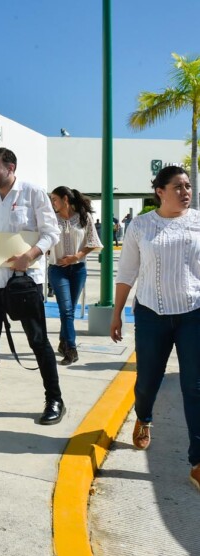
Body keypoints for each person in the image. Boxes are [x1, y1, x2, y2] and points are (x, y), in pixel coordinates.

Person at [110, 165, 200, 492]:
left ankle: (197, 462)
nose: (185, 192)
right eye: (178, 187)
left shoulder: (199, 222)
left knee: (196, 387)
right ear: (160, 192)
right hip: (151, 313)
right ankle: (144, 416)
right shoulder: (140, 226)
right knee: (147, 381)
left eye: (188, 186)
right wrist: (116, 313)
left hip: (194, 314)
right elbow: (127, 272)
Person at [0, 147, 65, 425]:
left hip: (24, 282)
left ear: (11, 168)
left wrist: (29, 256)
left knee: (38, 341)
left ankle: (55, 399)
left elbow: (51, 232)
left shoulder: (32, 194)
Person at [48, 186, 102, 365]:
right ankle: (71, 348)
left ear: (65, 199)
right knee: (66, 309)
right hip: (57, 270)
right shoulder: (50, 219)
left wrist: (76, 257)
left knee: (69, 310)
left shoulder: (83, 217)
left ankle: (64, 342)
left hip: (78, 270)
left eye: (54, 199)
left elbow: (93, 242)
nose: (52, 203)